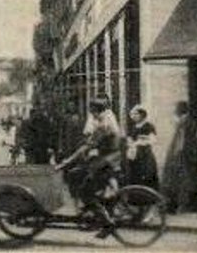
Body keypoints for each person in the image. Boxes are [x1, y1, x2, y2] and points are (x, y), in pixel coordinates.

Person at [55, 97, 122, 238]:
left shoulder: (104, 125)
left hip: (107, 162)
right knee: (75, 175)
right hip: (106, 160)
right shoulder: (107, 119)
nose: (92, 116)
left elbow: (87, 146)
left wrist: (66, 162)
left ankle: (107, 223)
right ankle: (88, 211)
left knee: (86, 191)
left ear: (97, 111)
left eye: (93, 113)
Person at [161, 100, 197, 214]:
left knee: (181, 183)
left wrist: (177, 154)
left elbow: (183, 142)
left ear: (180, 110)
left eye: (176, 108)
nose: (174, 111)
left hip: (183, 157)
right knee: (177, 182)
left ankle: (181, 207)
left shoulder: (186, 122)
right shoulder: (183, 122)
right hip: (180, 156)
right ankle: (175, 206)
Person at [125, 105, 159, 190]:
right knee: (134, 175)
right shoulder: (133, 127)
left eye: (136, 114)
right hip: (134, 154)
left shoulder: (148, 126)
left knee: (146, 174)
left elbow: (153, 139)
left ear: (142, 114)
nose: (134, 116)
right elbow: (130, 138)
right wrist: (130, 142)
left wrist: (142, 141)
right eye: (133, 114)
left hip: (145, 154)